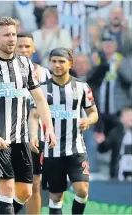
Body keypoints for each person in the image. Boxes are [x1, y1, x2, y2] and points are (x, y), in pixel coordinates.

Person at [0, 17, 56, 215]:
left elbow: (40, 99)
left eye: (13, 34)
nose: (11, 39)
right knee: (7, 189)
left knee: (25, 192)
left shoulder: (26, 65)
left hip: (22, 140)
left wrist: (49, 128)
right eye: (6, 35)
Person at [29, 48, 99, 214]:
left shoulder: (82, 86)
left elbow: (94, 113)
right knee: (56, 197)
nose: (57, 65)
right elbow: (33, 115)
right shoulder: (41, 89)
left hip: (76, 149)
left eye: (61, 61)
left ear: (70, 63)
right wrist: (33, 135)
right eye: (53, 61)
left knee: (82, 190)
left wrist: (88, 120)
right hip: (51, 151)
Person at [16, 32, 52, 215]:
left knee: (34, 183)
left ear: (33, 48)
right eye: (20, 46)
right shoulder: (1, 71)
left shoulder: (44, 73)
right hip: (7, 133)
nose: (23, 50)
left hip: (35, 135)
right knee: (9, 184)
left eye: (27, 46)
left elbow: (44, 106)